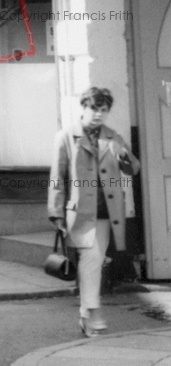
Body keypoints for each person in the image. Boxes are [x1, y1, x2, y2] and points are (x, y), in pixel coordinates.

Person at [48, 87, 140, 337]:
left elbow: (133, 169)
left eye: (104, 110)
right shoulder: (66, 136)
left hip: (107, 212)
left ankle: (85, 313)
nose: (99, 115)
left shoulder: (113, 136)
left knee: (95, 260)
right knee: (92, 259)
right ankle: (94, 312)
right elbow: (58, 177)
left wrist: (124, 156)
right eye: (94, 109)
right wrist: (56, 212)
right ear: (84, 108)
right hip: (80, 212)